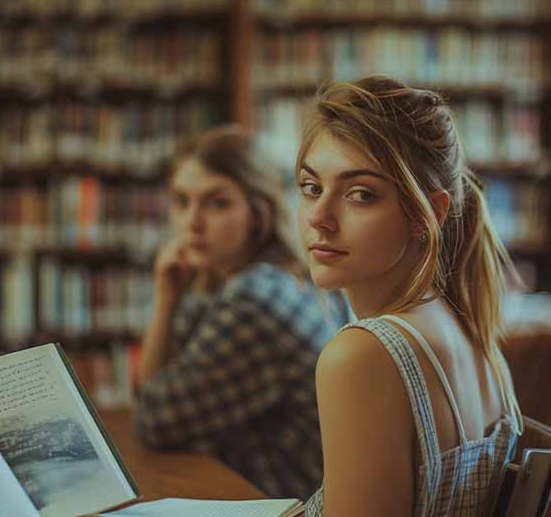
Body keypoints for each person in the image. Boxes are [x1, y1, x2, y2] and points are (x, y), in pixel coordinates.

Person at [295, 76, 524, 516]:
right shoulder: (469, 328)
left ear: (429, 214)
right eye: (311, 187)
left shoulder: (361, 355)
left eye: (360, 194)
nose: (320, 218)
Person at [133, 126, 349, 500]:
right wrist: (168, 296)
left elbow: (153, 419)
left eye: (217, 203)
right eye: (181, 201)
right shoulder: (239, 277)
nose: (192, 222)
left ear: (258, 213)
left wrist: (166, 303)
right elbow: (153, 390)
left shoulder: (255, 299)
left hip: (289, 501)